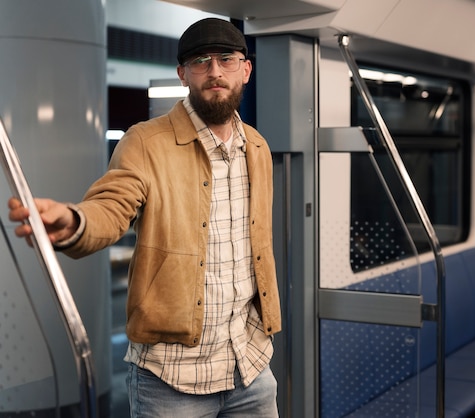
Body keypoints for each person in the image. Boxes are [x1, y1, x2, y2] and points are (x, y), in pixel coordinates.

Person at [8, 17, 281, 417]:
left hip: (251, 369)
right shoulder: (146, 142)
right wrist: (75, 221)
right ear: (183, 74)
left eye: (226, 59)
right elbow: (111, 205)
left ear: (246, 69)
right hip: (172, 379)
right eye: (201, 62)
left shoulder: (257, 147)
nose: (215, 71)